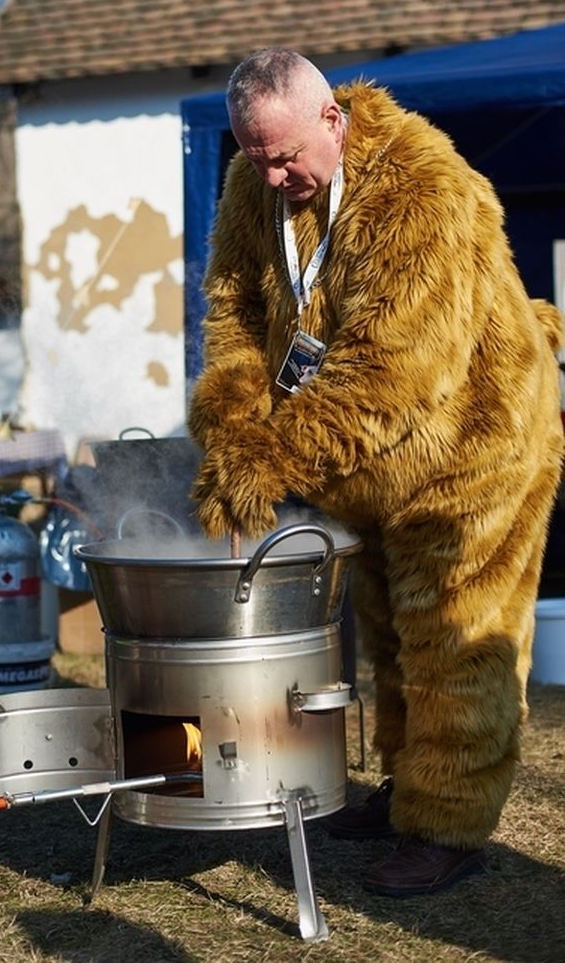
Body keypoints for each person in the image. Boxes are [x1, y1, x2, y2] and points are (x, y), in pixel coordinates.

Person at [187, 47, 564, 897]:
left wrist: (275, 455)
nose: (276, 175)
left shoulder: (422, 187)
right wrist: (234, 425)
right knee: (389, 630)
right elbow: (235, 313)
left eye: (287, 155)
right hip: (367, 466)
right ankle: (406, 787)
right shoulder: (258, 187)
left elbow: (392, 372)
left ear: (334, 118)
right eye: (257, 157)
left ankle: (449, 825)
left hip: (478, 445)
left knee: (455, 641)